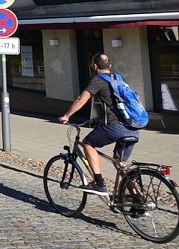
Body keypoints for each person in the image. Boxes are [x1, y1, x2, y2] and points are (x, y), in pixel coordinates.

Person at [59, 52, 139, 195]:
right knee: (119, 163)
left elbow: (81, 100)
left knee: (88, 143)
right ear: (110, 66)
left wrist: (66, 116)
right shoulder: (118, 78)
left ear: (94, 66)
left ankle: (99, 184)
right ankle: (137, 197)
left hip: (115, 127)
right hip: (133, 128)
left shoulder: (98, 80)